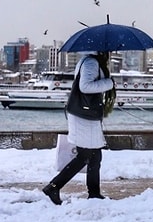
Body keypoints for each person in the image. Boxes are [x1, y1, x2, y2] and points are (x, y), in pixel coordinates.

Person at [43, 51, 114, 205]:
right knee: (85, 156)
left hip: (85, 114)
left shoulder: (88, 61)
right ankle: (53, 186)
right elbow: (85, 87)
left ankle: (94, 193)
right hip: (84, 116)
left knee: (95, 155)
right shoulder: (91, 63)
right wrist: (109, 83)